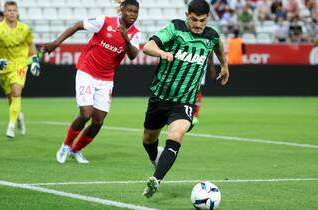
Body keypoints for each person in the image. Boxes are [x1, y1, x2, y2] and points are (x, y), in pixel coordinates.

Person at [141, 0, 229, 198]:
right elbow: (147, 47)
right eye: (194, 19)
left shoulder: (211, 35)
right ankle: (156, 158)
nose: (198, 25)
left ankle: (156, 179)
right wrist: (162, 52)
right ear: (186, 15)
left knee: (176, 135)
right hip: (160, 97)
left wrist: (224, 65)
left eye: (203, 21)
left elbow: (218, 45)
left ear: (208, 19)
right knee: (148, 139)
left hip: (184, 101)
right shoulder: (175, 28)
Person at [42, 0, 141, 164]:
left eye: (135, 12)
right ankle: (66, 145)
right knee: (86, 113)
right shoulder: (104, 21)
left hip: (106, 78)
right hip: (87, 71)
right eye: (129, 10)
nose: (132, 14)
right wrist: (56, 43)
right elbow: (77, 25)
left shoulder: (135, 33)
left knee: (98, 121)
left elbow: (132, 55)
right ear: (122, 10)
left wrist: (126, 39)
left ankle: (76, 150)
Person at [0, 1, 40, 139]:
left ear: (17, 12)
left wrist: (35, 61)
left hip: (20, 65)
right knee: (10, 98)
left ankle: (11, 126)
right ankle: (18, 115)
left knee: (16, 92)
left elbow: (31, 45)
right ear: (4, 13)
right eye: (9, 10)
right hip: (4, 66)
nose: (12, 13)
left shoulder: (25, 29)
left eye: (14, 10)